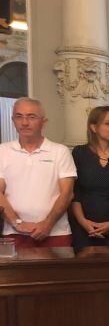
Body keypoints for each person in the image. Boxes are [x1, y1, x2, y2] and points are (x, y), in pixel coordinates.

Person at [0, 98, 77, 247]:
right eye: (19, 116)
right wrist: (18, 223)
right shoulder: (2, 151)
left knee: (59, 271)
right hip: (13, 234)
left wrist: (47, 224)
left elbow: (67, 193)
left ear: (44, 122)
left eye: (31, 117)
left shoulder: (60, 151)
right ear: (13, 120)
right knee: (15, 272)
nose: (24, 122)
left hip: (56, 233)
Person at [69, 106, 109, 249]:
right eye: (108, 123)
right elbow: (75, 193)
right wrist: (83, 222)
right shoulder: (79, 153)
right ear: (93, 127)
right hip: (83, 228)